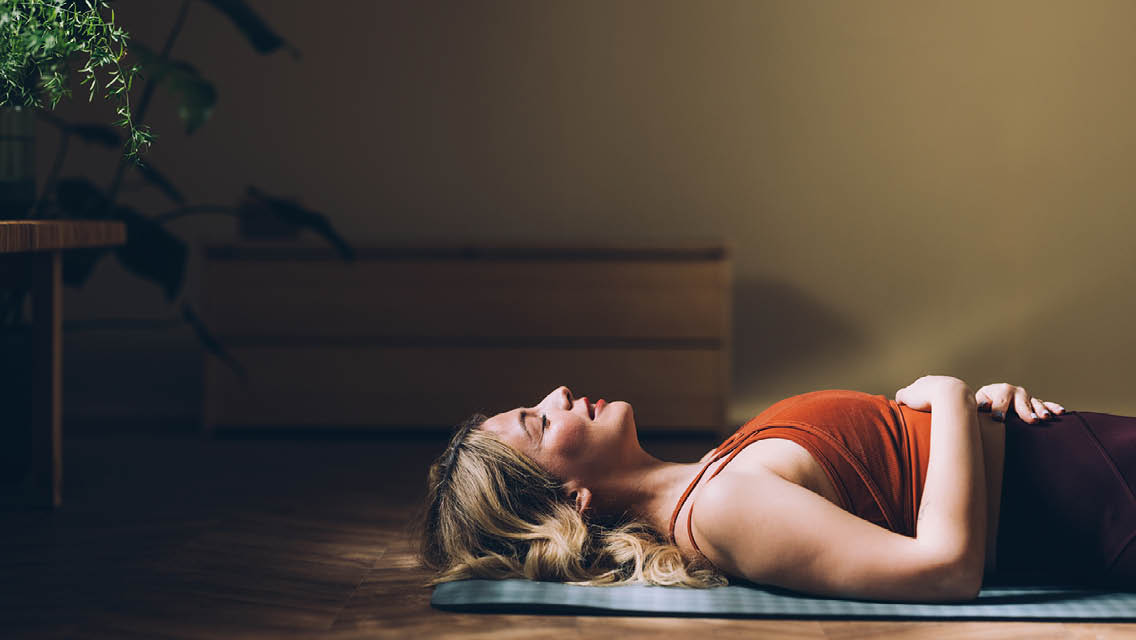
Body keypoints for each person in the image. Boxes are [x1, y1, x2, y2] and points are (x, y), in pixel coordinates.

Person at [417, 375, 1136, 602]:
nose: (560, 392)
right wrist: (948, 395)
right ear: (572, 500)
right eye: (540, 422)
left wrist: (982, 408)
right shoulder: (722, 510)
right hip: (1094, 503)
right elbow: (945, 569)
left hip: (1077, 461)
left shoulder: (710, 475)